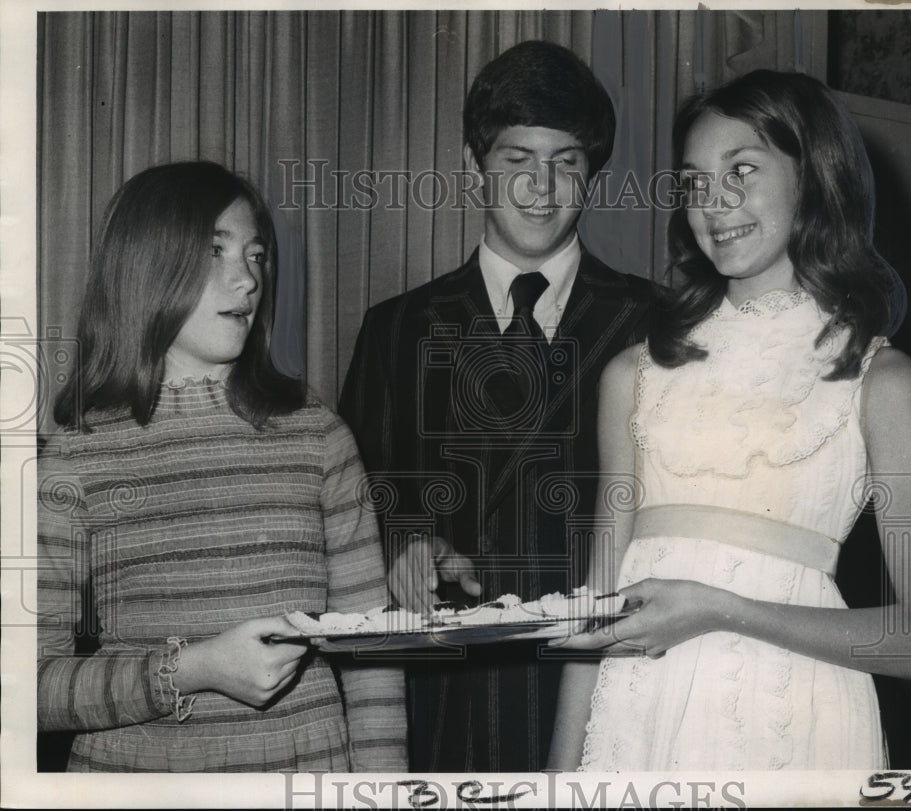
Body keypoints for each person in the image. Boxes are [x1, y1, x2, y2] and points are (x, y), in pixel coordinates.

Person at [548, 70, 911, 771]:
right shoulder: (632, 376)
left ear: (814, 176)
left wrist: (725, 609)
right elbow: (596, 613)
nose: (714, 203)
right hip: (636, 721)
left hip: (795, 728)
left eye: (742, 168)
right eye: (693, 181)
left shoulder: (882, 381)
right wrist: (557, 781)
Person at [338, 40, 658, 772]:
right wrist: (403, 544)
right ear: (471, 162)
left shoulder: (654, 321)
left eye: (567, 162)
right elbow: (354, 509)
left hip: (608, 688)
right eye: (517, 160)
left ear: (594, 174)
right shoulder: (396, 329)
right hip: (444, 703)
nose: (541, 188)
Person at [36, 161, 407, 772]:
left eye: (256, 255)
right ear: (145, 267)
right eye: (215, 251)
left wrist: (384, 791)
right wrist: (193, 670)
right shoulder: (75, 453)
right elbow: (32, 686)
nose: (247, 280)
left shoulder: (319, 435)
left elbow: (374, 657)